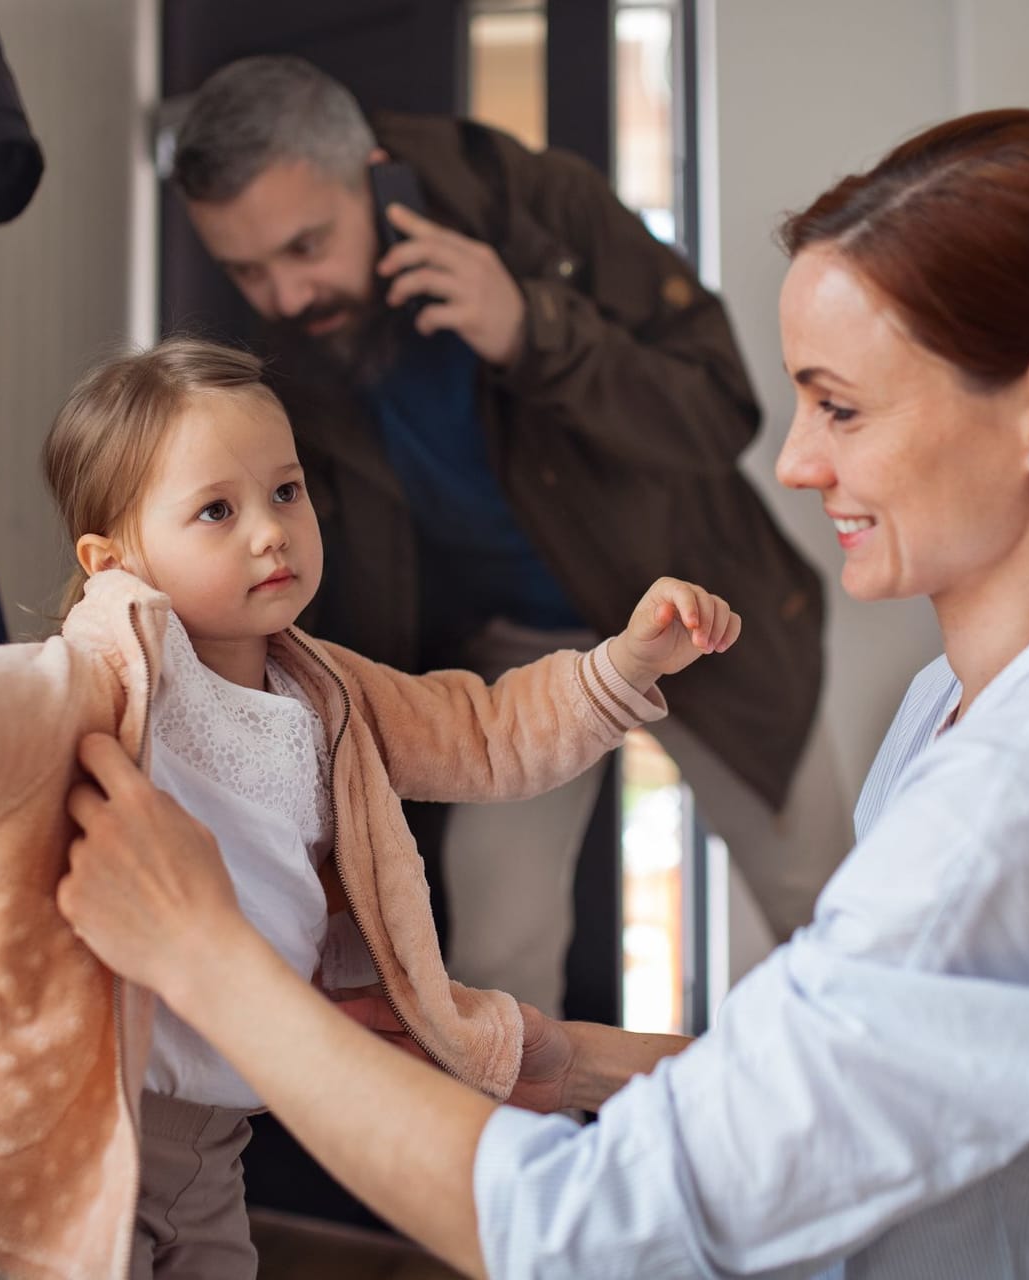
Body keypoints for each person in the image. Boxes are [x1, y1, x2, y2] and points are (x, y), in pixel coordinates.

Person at [56, 110, 1029, 1277]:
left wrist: (212, 966)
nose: (796, 465)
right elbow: (864, 1064)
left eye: (840, 407)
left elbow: (593, 1235)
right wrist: (564, 1058)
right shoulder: (1012, 701)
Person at [0, 335, 744, 1279]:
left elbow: (489, 732)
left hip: (223, 1128)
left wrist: (618, 670)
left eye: (287, 490)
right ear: (116, 559)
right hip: (98, 1113)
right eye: (218, 510)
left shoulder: (330, 689)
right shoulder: (79, 691)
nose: (272, 532)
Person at [169, 55, 848, 1015]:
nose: (283, 294)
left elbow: (718, 408)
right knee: (494, 964)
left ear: (374, 167)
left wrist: (533, 327)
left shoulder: (539, 203)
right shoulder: (275, 336)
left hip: (700, 614)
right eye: (248, 268)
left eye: (306, 246)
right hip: (507, 658)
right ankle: (519, 1169)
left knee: (825, 911)